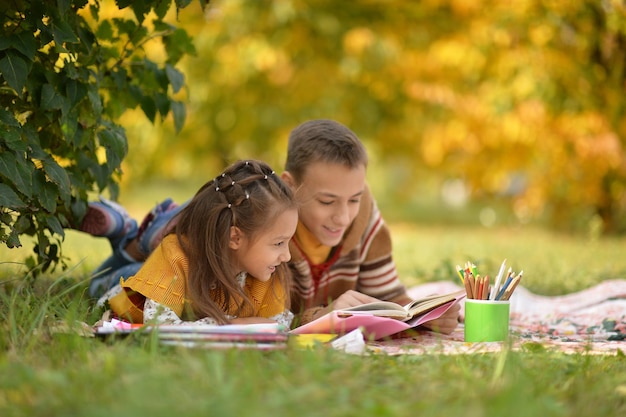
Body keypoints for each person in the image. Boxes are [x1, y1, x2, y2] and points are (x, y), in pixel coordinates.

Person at [79, 120, 460, 334]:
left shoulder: (357, 229)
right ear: (290, 185)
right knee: (148, 248)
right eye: (327, 201)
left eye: (356, 198)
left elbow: (387, 296)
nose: (343, 217)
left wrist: (421, 316)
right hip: (180, 239)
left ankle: (125, 231)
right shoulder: (259, 217)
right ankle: (126, 230)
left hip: (217, 286)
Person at [95, 159, 298, 328]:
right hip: (127, 294)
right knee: (119, 274)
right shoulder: (175, 254)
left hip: (164, 277)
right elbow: (161, 327)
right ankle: (127, 233)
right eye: (279, 243)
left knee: (150, 267)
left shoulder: (267, 270)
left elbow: (277, 327)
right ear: (235, 237)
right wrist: (233, 324)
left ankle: (135, 234)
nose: (287, 256)